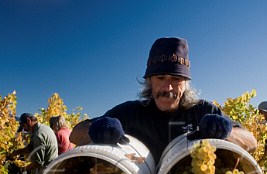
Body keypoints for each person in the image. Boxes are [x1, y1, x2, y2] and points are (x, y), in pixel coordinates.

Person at [70, 37, 257, 163]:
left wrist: (224, 132)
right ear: (149, 82)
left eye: (176, 79)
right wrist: (97, 131)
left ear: (185, 83)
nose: (168, 88)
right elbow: (75, 134)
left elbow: (251, 142)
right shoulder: (129, 113)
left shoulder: (202, 111)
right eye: (160, 78)